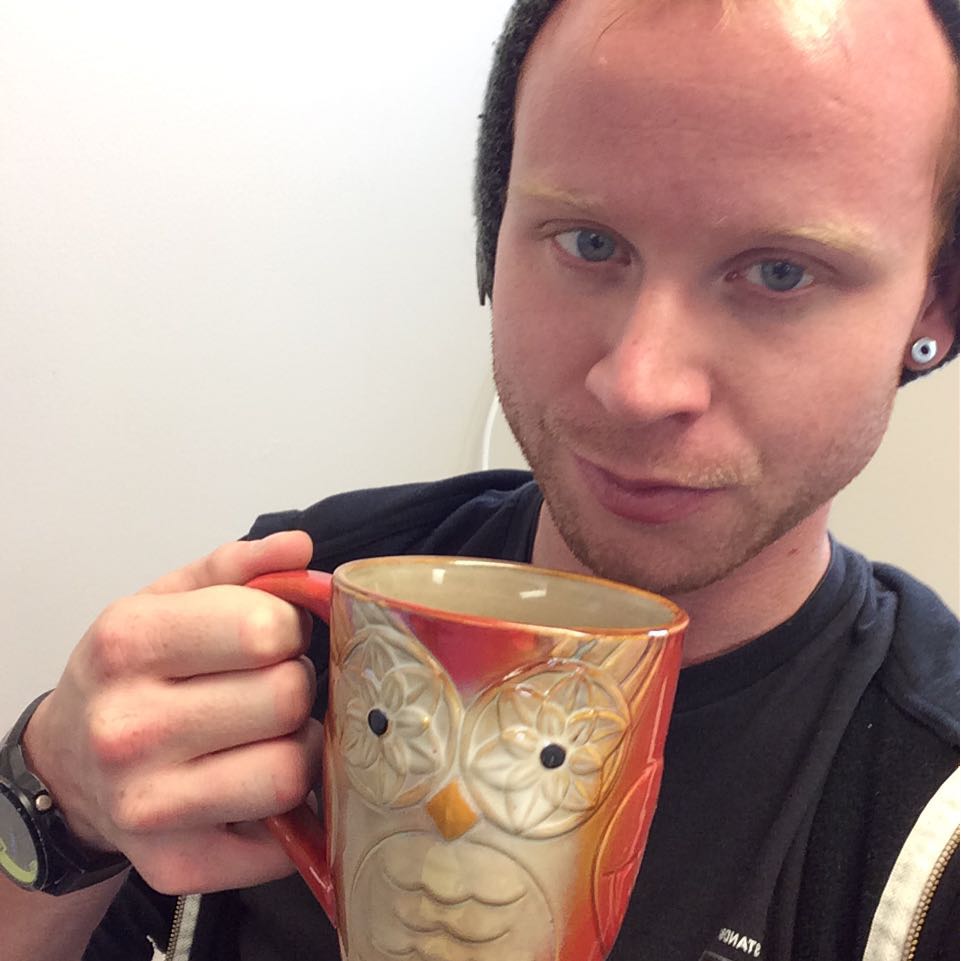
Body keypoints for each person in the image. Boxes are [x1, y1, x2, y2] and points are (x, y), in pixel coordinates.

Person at [1, 0, 958, 958]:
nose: (637, 384)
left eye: (781, 272)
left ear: (935, 309)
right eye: (587, 242)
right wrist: (56, 802)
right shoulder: (296, 618)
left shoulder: (932, 814)